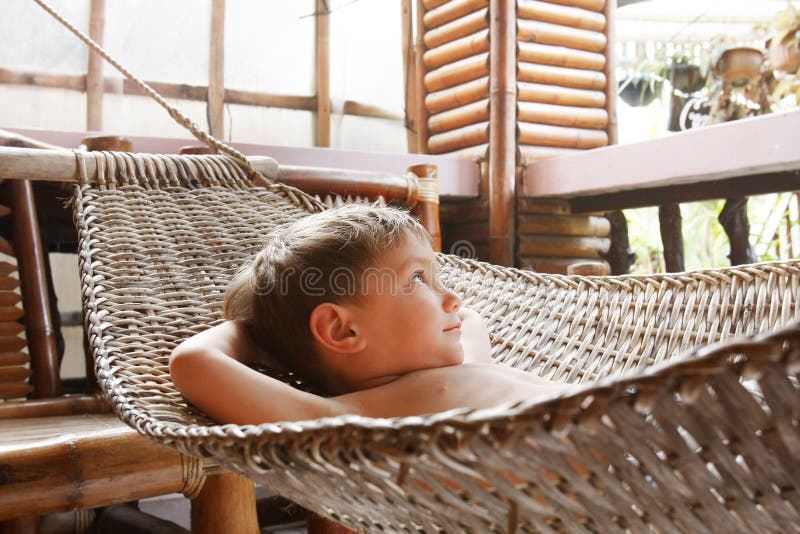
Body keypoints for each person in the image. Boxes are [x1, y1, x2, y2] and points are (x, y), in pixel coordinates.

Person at [169, 204, 570, 425]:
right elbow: (193, 362)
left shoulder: (465, 361)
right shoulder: (356, 418)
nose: (451, 298)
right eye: (417, 279)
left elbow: (468, 318)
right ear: (342, 330)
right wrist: (251, 331)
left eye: (437, 276)